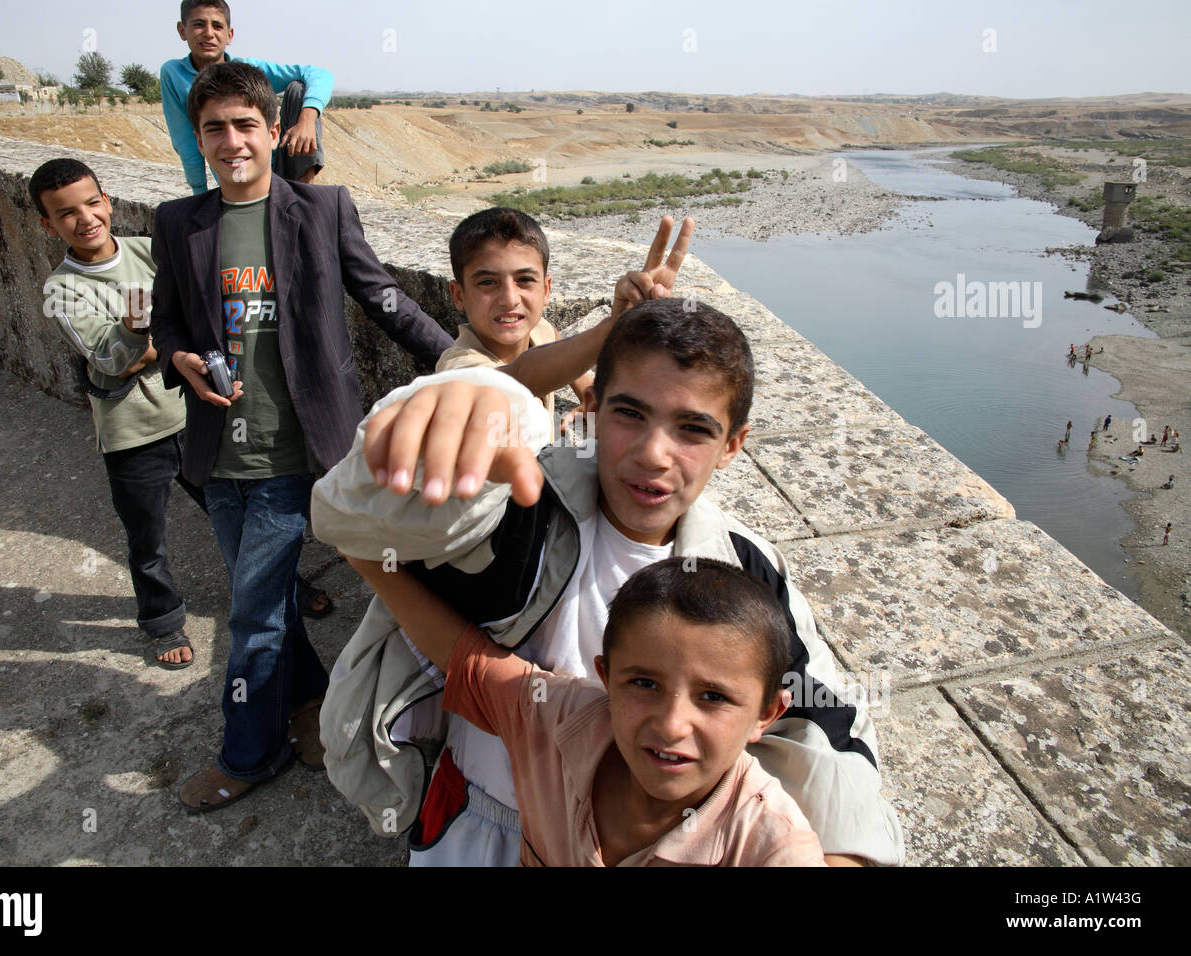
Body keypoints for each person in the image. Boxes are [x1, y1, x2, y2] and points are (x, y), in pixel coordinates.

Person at [312, 297, 905, 866]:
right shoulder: (519, 501)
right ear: (591, 410)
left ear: (733, 445)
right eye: (630, 414)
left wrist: (842, 853)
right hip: (480, 815)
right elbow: (348, 518)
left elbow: (824, 715)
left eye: (693, 430)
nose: (653, 453)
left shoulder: (744, 567)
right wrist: (477, 400)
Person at [149, 61, 453, 811]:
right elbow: (166, 321)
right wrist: (180, 356)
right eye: (214, 128)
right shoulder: (178, 223)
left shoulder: (320, 211)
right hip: (217, 459)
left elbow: (383, 296)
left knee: (250, 616)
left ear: (274, 131)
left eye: (245, 125)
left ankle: (248, 756)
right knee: (272, 599)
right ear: (199, 136)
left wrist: (463, 361)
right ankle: (314, 704)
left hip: (295, 457)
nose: (231, 141)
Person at [345, 554, 825, 866]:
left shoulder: (771, 848)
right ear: (605, 677)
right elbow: (466, 658)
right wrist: (365, 557)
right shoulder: (558, 718)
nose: (672, 724)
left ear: (767, 714)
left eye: (714, 697)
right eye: (643, 683)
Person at [31, 158, 203, 669]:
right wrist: (146, 337)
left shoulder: (149, 251)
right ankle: (163, 621)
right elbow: (110, 358)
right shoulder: (62, 291)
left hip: (193, 413)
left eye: (90, 203)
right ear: (48, 225)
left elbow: (197, 312)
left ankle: (285, 590)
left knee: (239, 514)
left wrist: (141, 342)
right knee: (146, 539)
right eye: (65, 214)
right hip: (132, 434)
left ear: (107, 201)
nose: (84, 219)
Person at [437, 208, 694, 439]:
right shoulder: (456, 369)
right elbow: (519, 377)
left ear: (547, 289)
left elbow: (554, 339)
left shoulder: (537, 329)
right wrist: (614, 326)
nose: (509, 299)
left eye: (524, 279)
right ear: (458, 295)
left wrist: (589, 391)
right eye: (487, 282)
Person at [161, 0, 332, 194]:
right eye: (199, 24)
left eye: (217, 26)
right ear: (182, 31)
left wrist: (307, 119)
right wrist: (199, 195)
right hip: (236, 172)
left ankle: (303, 194)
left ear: (229, 35)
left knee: (298, 90)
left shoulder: (248, 72)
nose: (209, 33)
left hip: (278, 165)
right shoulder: (174, 74)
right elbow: (187, 144)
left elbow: (320, 75)